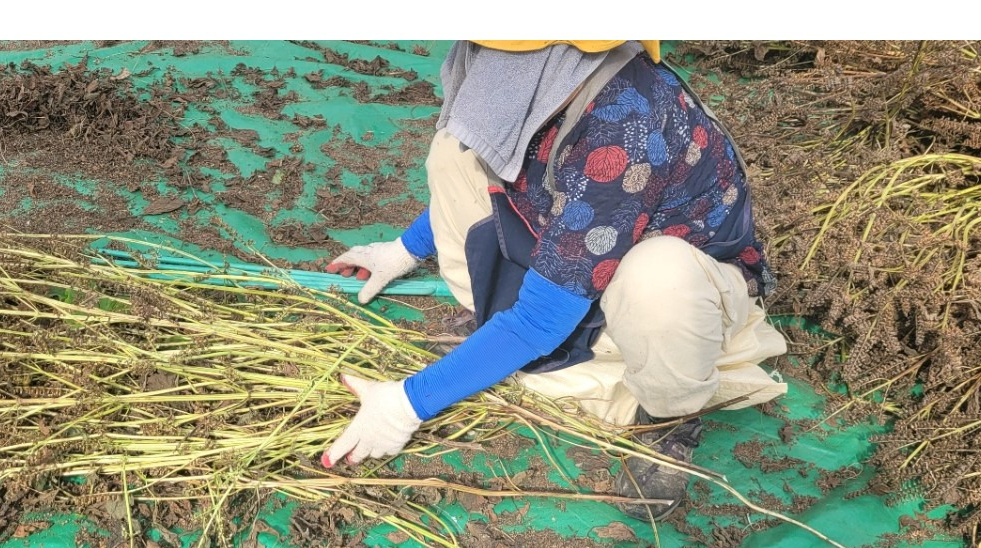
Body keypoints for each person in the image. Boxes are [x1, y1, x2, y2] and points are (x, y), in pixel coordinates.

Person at [321, 40, 788, 522]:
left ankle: (668, 416)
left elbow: (540, 320)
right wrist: (403, 251)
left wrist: (407, 404)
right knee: (452, 152)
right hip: (583, 246)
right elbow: (493, 170)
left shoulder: (623, 128)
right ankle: (491, 330)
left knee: (659, 278)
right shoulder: (540, 90)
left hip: (679, 283)